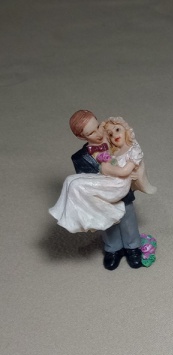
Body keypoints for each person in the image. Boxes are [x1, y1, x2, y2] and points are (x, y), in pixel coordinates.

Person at [49, 110, 155, 270]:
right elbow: (86, 182)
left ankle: (133, 247)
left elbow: (129, 148)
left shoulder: (112, 137)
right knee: (107, 223)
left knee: (128, 219)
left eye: (98, 126)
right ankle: (113, 249)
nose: (99, 133)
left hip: (121, 191)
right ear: (81, 137)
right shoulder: (80, 158)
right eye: (91, 133)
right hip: (100, 196)